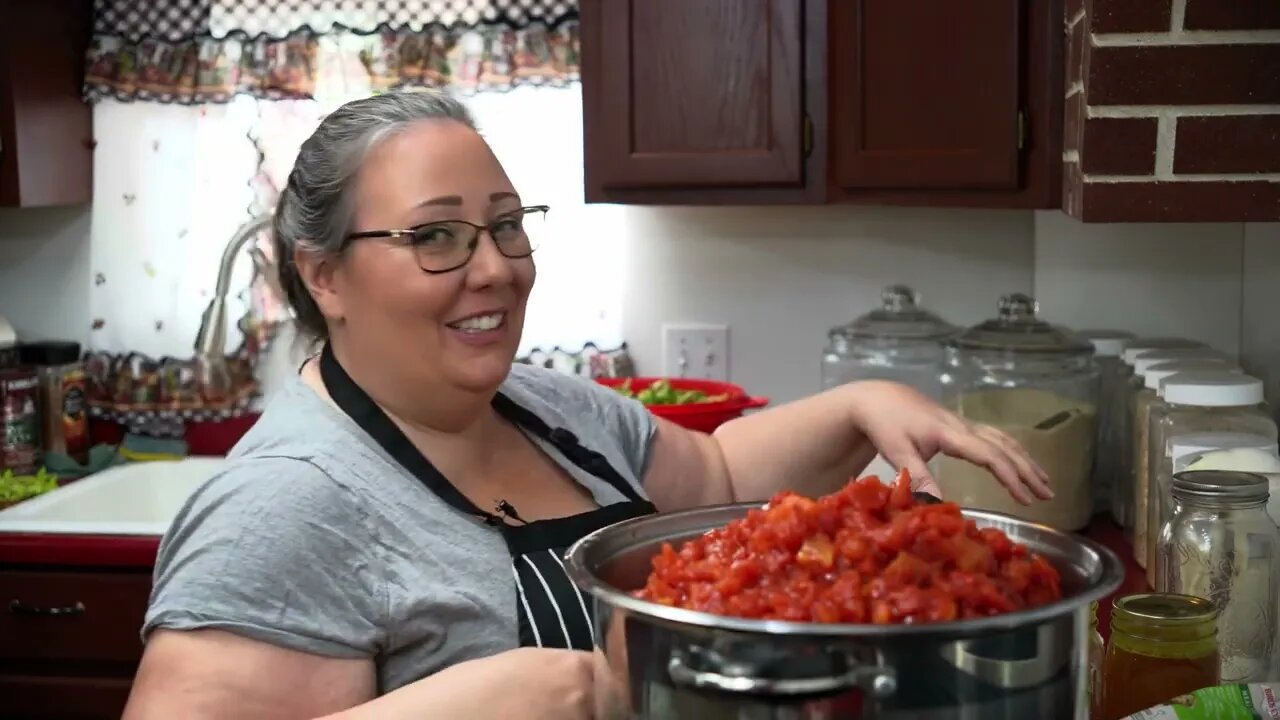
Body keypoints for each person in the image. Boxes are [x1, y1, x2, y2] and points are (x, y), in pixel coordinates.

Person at [122, 91, 1051, 720]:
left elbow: (719, 476)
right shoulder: (281, 506)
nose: (494, 267)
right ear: (324, 275)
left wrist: (858, 405)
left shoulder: (547, 409)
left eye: (507, 224)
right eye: (436, 236)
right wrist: (486, 702)